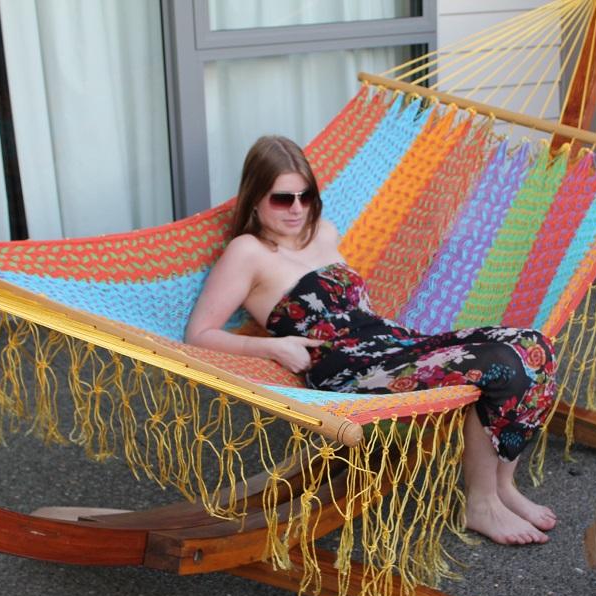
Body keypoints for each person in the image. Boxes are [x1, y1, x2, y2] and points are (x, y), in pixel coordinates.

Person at [185, 135, 558, 545]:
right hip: (347, 369)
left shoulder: (323, 232)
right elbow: (200, 334)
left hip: (391, 343)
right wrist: (271, 346)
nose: (296, 208)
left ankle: (504, 486)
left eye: (305, 196)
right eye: (281, 198)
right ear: (255, 198)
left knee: (531, 344)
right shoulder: (247, 252)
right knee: (499, 364)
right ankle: (481, 503)